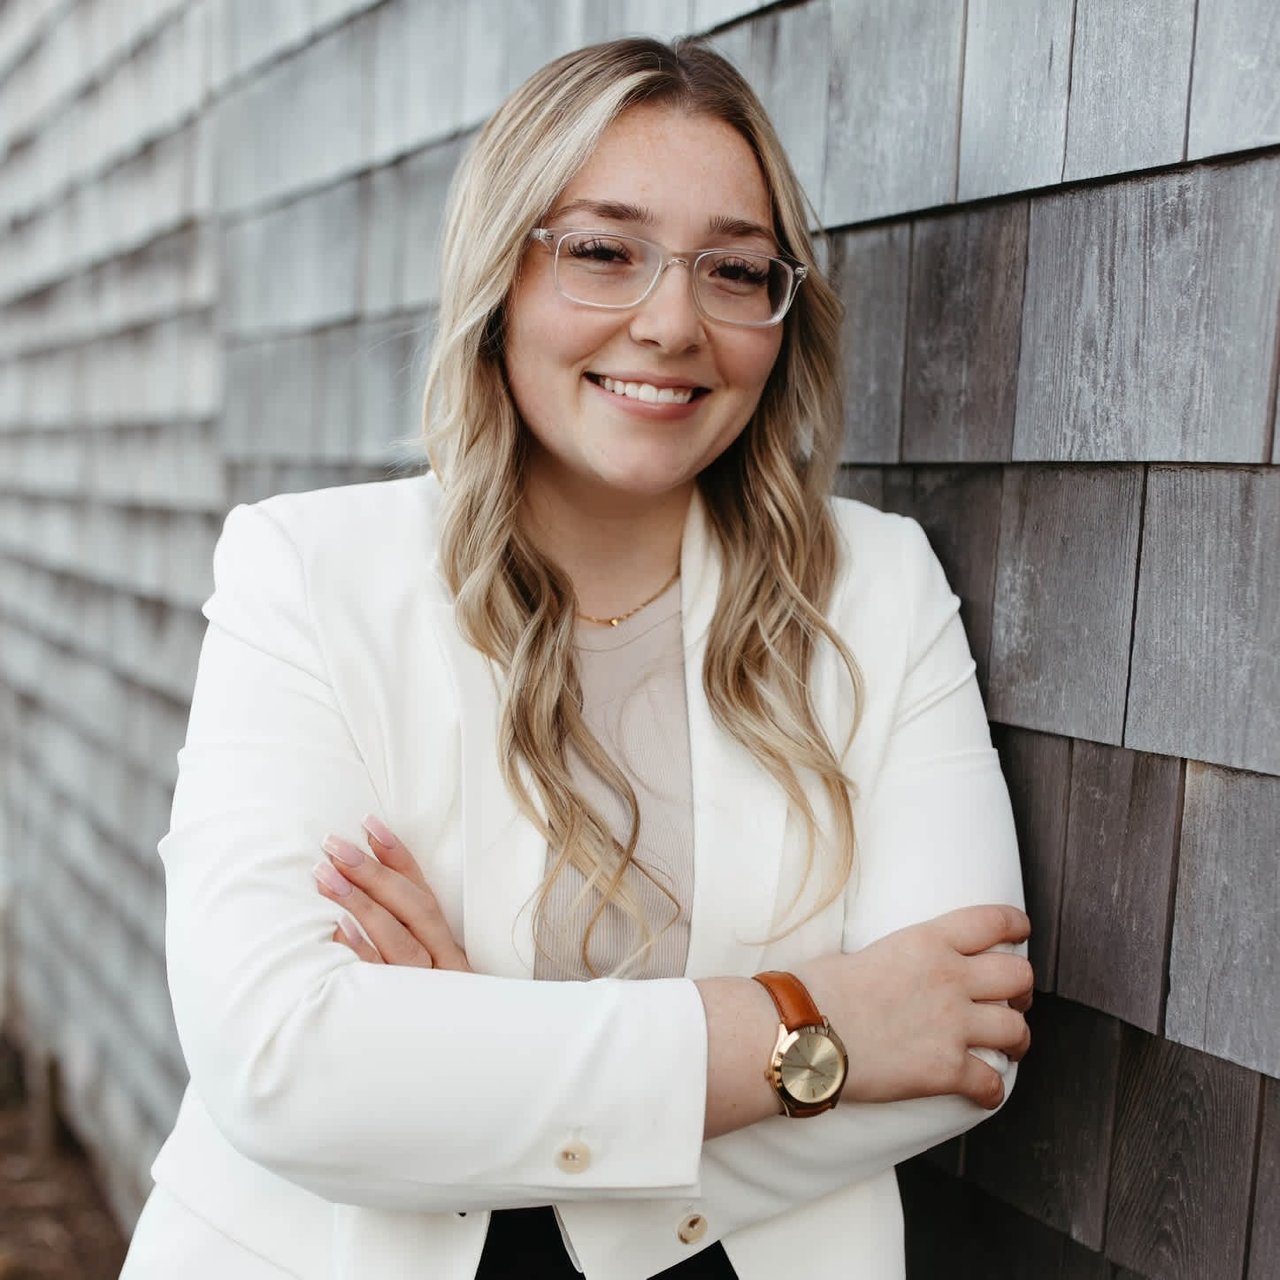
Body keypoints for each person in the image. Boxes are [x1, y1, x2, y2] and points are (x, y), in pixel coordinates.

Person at [119, 36, 1031, 1280]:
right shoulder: (306, 572)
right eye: (603, 251)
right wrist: (807, 1027)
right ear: (500, 276)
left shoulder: (872, 588)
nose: (671, 322)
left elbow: (956, 1043)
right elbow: (283, 1061)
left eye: (733, 269)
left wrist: (461, 1059)